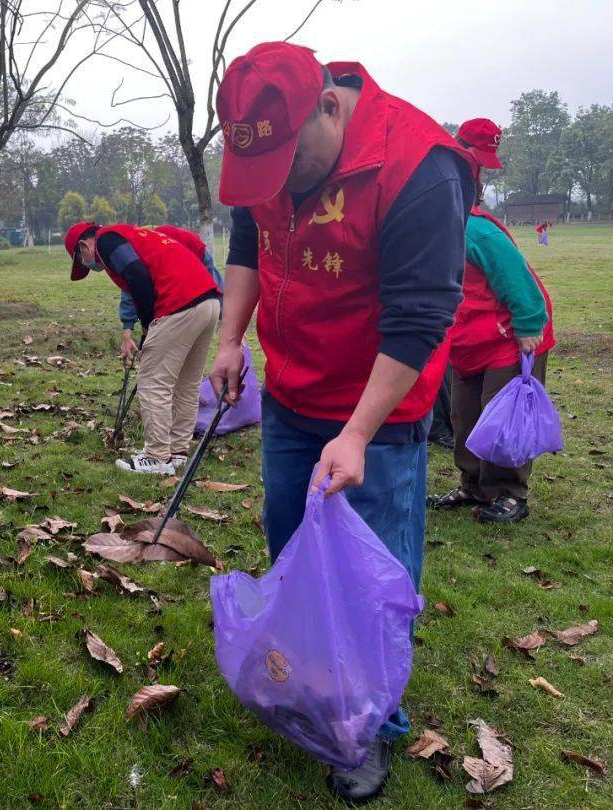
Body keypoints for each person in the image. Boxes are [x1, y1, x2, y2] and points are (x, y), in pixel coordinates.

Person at [209, 42, 476, 801]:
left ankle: (371, 725)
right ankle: (307, 681)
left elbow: (422, 317)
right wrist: (230, 339)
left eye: (292, 168)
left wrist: (357, 432)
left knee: (369, 572)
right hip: (293, 395)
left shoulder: (418, 164)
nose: (279, 189)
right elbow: (247, 242)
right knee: (291, 539)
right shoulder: (262, 148)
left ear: (329, 107)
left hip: (377, 414)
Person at [429, 118, 555, 523]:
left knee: (503, 418)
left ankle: (509, 493)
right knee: (465, 415)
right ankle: (473, 485)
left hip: (512, 336)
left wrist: (530, 326)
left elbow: (518, 280)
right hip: (470, 341)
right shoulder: (440, 228)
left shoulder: (474, 231)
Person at [65, 220, 221, 474]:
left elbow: (137, 275)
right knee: (186, 383)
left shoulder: (106, 240)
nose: (87, 265)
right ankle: (177, 452)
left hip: (178, 303)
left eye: (81, 258)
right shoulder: (134, 234)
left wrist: (149, 324)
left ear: (84, 244)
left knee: (152, 380)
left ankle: (157, 456)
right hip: (208, 302)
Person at [117, 224, 225, 337]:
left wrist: (226, 321)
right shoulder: (139, 255)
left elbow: (214, 284)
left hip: (192, 259)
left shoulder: (187, 244)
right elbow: (131, 288)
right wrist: (128, 327)